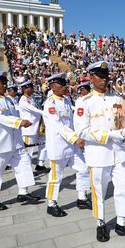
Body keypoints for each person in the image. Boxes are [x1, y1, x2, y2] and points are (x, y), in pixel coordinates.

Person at [74, 61, 125, 242]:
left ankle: (121, 223)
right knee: (99, 191)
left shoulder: (118, 99)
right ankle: (101, 222)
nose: (104, 80)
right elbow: (81, 130)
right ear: (91, 77)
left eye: (106, 76)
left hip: (119, 153)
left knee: (123, 188)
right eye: (99, 76)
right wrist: (110, 134)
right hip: (98, 154)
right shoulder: (84, 102)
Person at [0, 71, 41, 210]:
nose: (5, 85)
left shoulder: (9, 100)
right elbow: (0, 117)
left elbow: (14, 114)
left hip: (15, 141)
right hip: (0, 143)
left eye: (5, 83)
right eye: (1, 83)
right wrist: (19, 122)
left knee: (24, 164)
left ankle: (23, 192)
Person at [42, 73, 91, 217]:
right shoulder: (50, 104)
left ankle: (82, 197)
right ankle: (51, 204)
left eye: (65, 84)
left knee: (83, 168)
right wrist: (75, 138)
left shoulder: (67, 100)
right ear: (52, 86)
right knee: (56, 176)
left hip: (73, 144)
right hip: (59, 145)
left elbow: (72, 122)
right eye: (61, 85)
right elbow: (59, 125)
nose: (65, 87)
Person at [17, 80, 49, 173]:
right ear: (24, 89)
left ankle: (40, 164)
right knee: (28, 152)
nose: (32, 89)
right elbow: (33, 109)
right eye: (30, 88)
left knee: (44, 144)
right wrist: (45, 113)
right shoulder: (23, 100)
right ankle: (26, 170)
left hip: (37, 127)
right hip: (29, 130)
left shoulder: (30, 98)